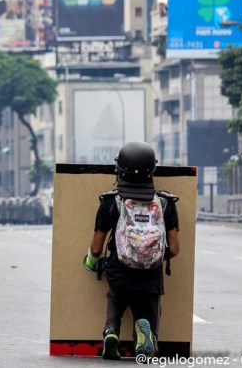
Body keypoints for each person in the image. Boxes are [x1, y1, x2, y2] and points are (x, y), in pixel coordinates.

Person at [82, 141, 180, 360]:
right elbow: (174, 249)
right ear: (152, 169)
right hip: (151, 276)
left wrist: (90, 263)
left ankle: (111, 332)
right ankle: (145, 340)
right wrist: (150, 256)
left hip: (119, 271)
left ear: (119, 169)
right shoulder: (165, 203)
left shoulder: (110, 202)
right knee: (147, 307)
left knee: (115, 298)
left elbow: (96, 247)